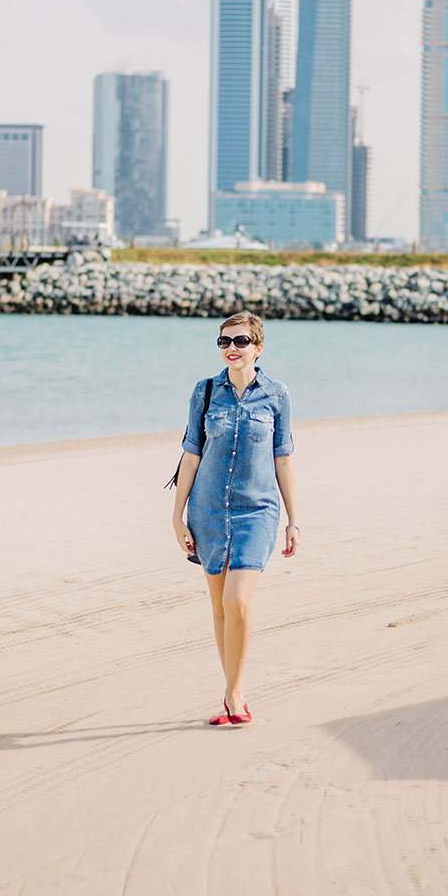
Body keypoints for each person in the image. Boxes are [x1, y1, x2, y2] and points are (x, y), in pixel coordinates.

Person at [171, 310, 298, 726]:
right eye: (224, 342)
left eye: (240, 341)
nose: (231, 349)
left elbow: (283, 459)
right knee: (220, 607)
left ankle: (235, 692)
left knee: (237, 600)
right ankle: (230, 695)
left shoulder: (277, 395)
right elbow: (191, 455)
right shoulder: (205, 392)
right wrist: (177, 517)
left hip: (258, 511)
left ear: (258, 348)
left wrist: (293, 520)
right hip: (207, 511)